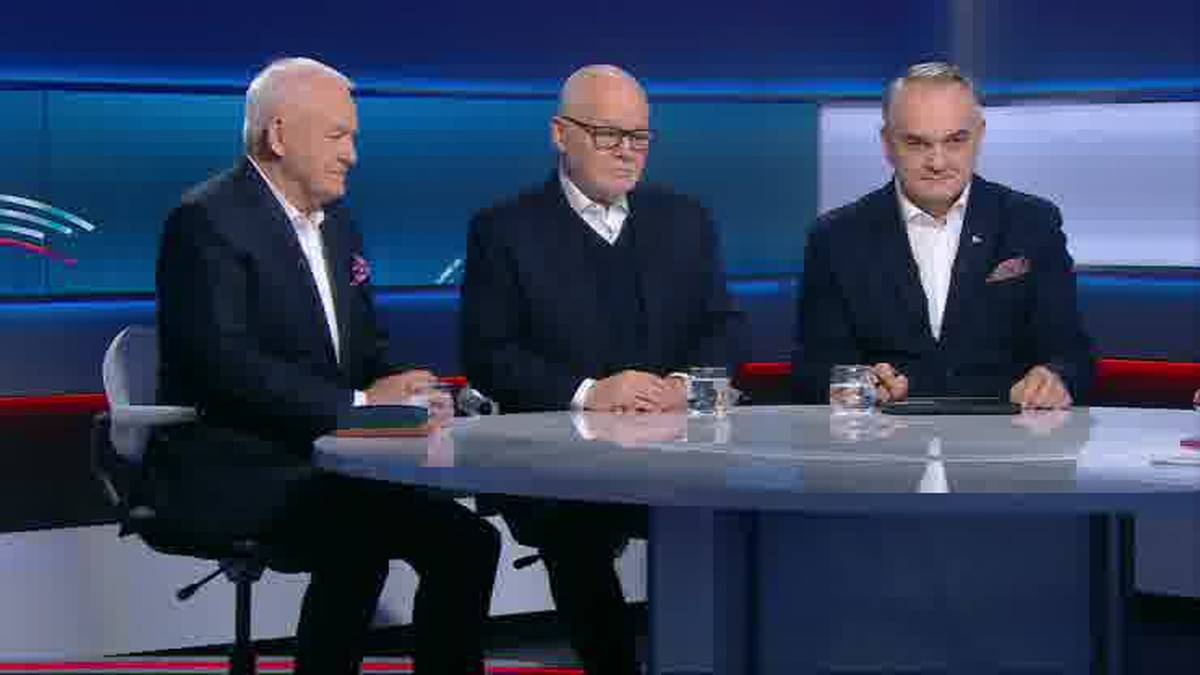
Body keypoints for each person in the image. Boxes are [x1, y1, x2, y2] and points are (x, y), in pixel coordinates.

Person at [154, 57, 498, 675]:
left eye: (353, 138)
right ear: (279, 136)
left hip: (329, 455)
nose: (352, 155)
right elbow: (224, 369)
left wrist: (409, 388)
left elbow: (362, 350)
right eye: (338, 136)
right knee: (357, 542)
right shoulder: (206, 221)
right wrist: (367, 410)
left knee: (469, 542)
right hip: (242, 459)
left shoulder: (338, 226)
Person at [460, 64, 745, 674]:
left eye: (638, 136)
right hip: (561, 457)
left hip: (675, 450)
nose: (626, 151)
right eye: (607, 134)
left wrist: (683, 386)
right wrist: (592, 392)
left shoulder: (685, 220)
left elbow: (725, 327)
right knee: (575, 535)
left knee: (728, 515)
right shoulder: (504, 230)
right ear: (560, 133)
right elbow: (487, 353)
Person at [793, 61, 1093, 409]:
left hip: (1006, 434)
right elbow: (814, 369)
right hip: (885, 436)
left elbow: (1072, 354)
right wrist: (861, 384)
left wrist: (1055, 377)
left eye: (955, 141)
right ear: (887, 144)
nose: (937, 162)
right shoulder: (836, 237)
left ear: (979, 135)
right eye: (917, 143)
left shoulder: (1032, 223)